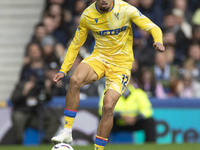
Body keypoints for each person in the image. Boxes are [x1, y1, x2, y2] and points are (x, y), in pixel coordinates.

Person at [51, 0, 165, 149]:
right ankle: (67, 131)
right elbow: (75, 44)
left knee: (108, 106)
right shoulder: (88, 15)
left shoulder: (125, 9)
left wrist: (158, 41)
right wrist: (63, 70)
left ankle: (98, 149)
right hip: (99, 57)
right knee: (75, 79)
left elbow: (152, 27)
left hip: (121, 64)